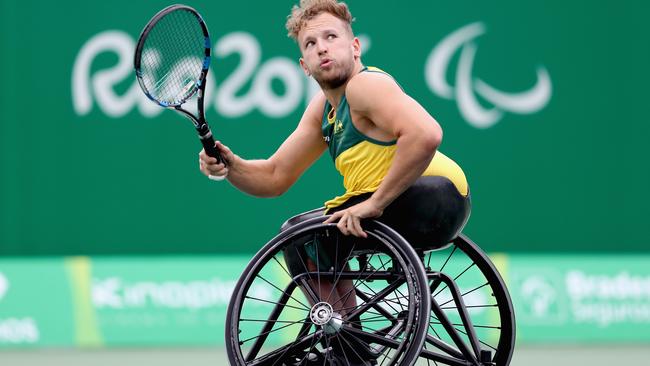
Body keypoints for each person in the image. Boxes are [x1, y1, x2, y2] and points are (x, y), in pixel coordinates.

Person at [199, 0, 470, 364]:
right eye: (311, 44)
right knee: (305, 234)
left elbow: (426, 134)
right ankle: (346, 341)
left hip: (432, 193)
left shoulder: (365, 87)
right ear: (304, 65)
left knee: (301, 236)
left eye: (331, 37)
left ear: (354, 46)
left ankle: (347, 348)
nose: (322, 47)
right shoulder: (322, 111)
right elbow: (275, 177)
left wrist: (375, 204)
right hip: (423, 200)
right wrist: (231, 165)